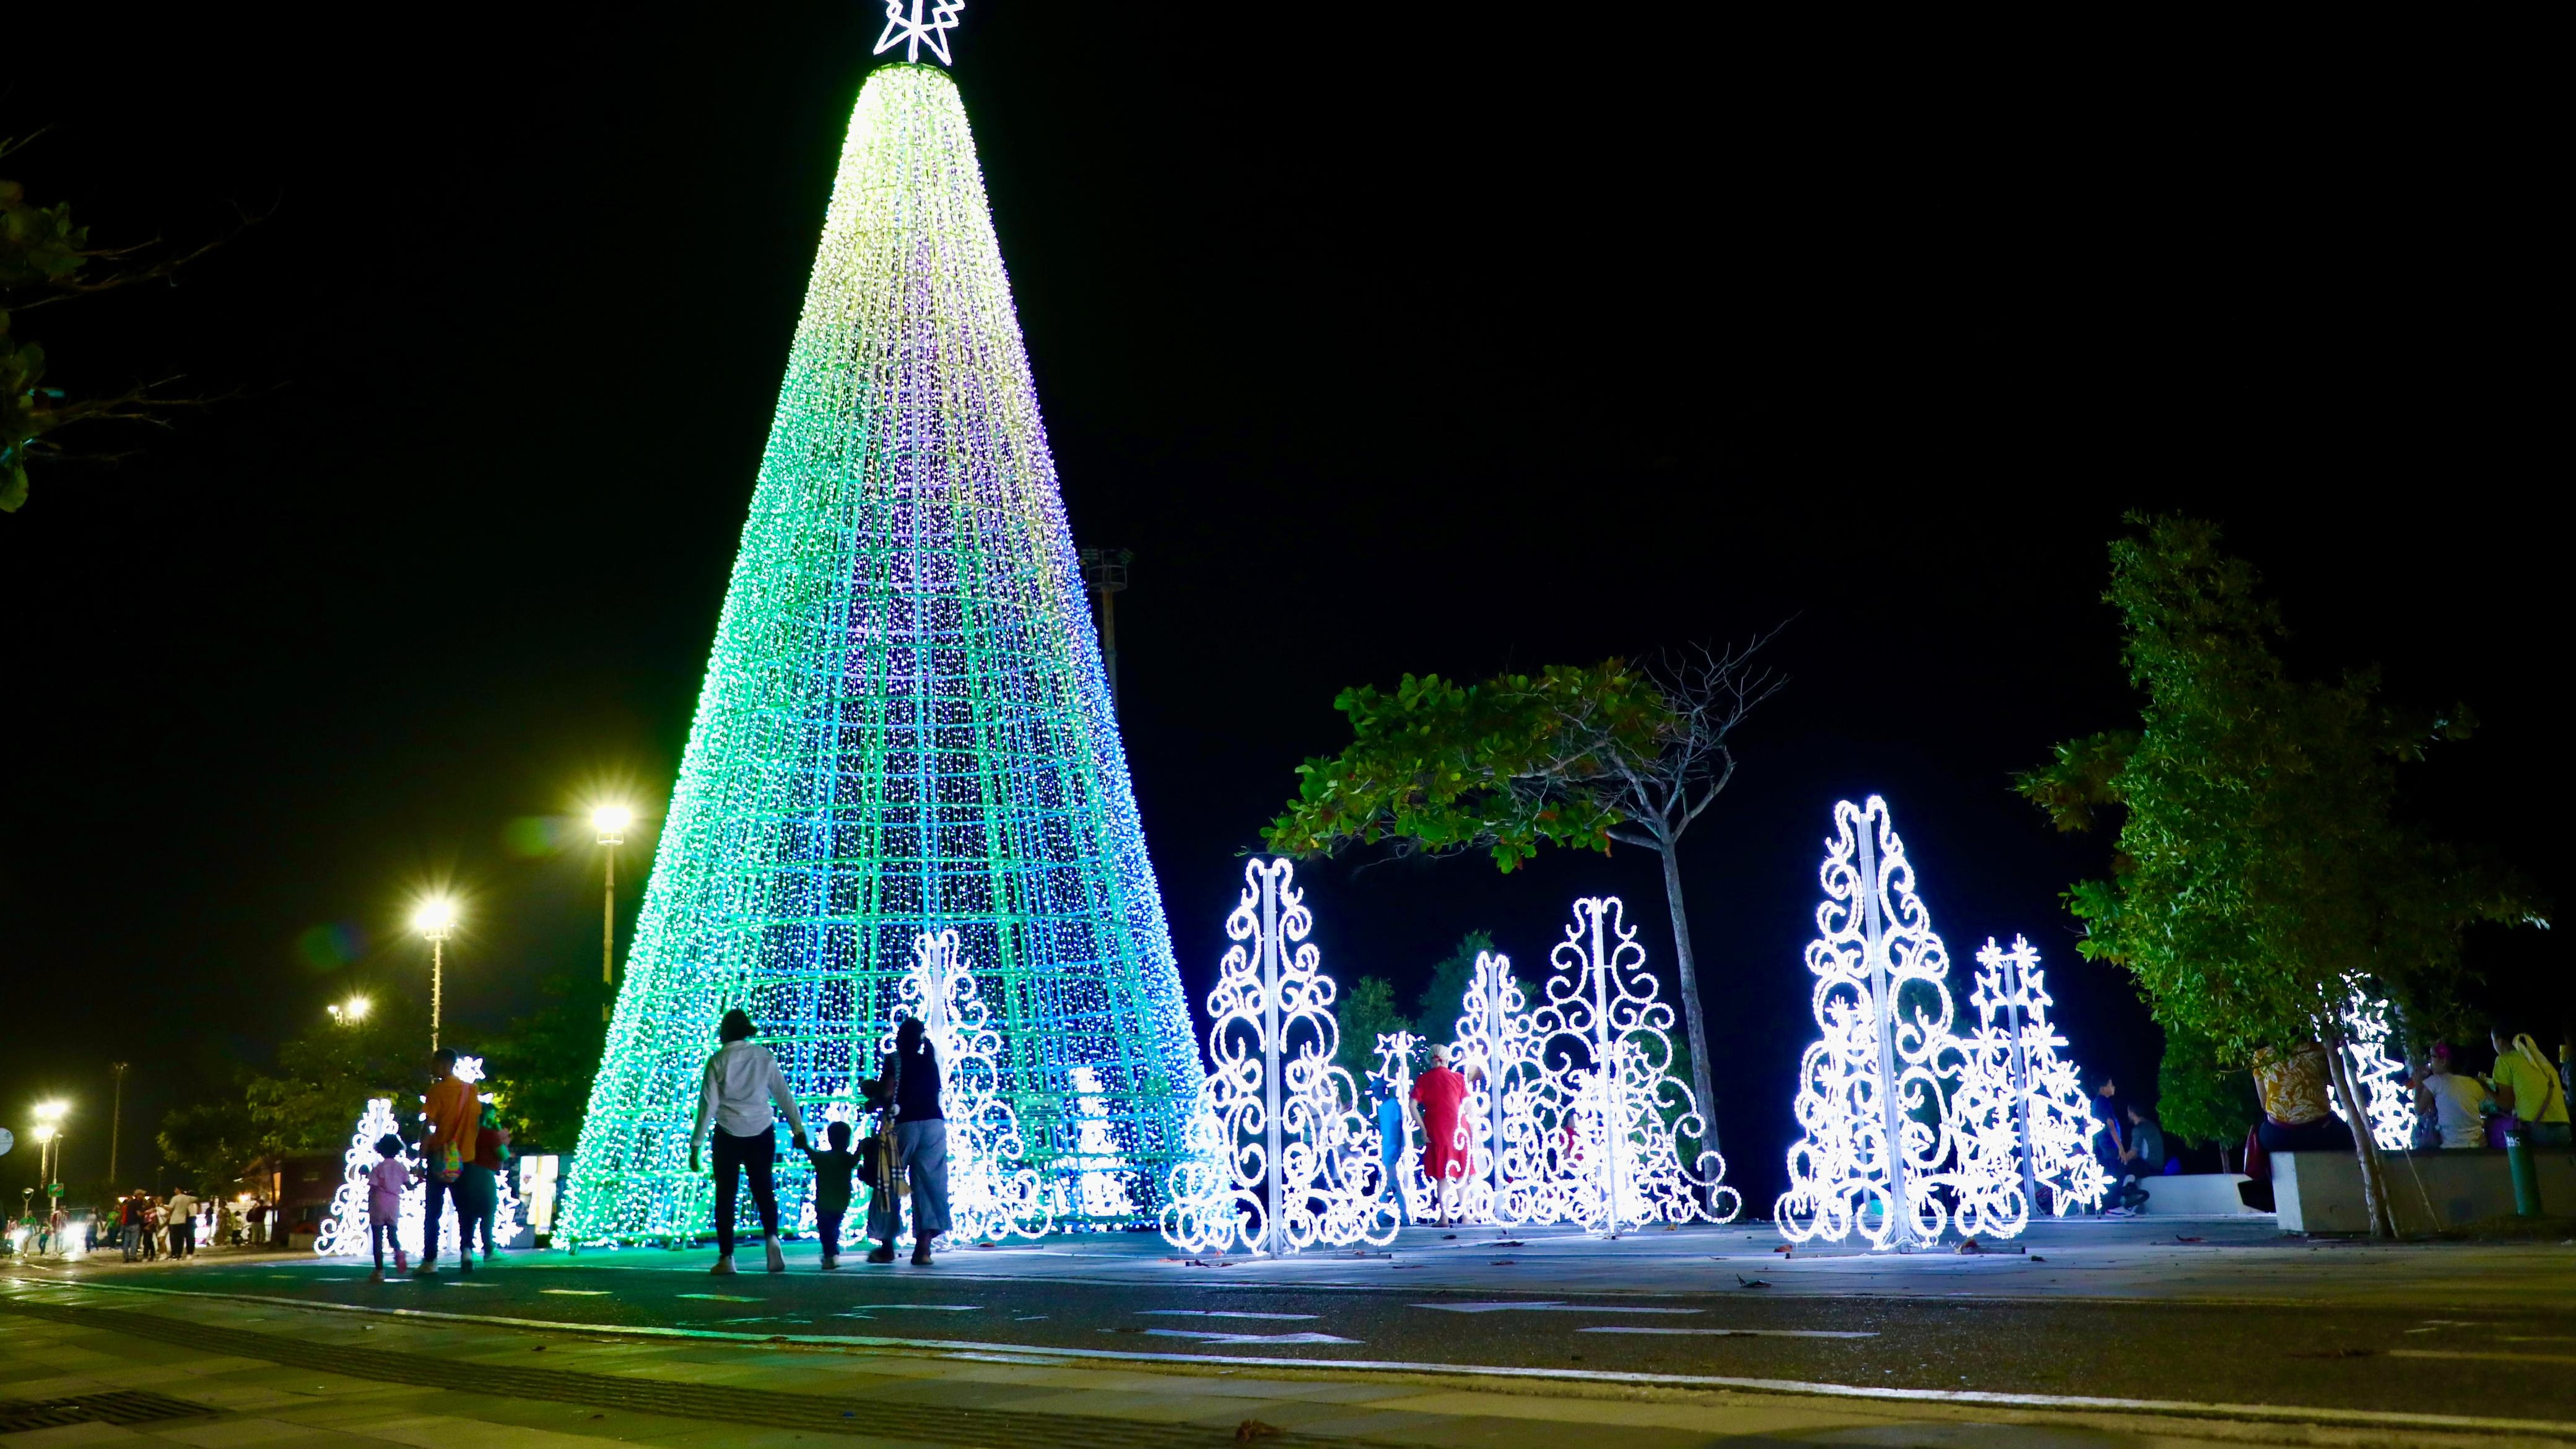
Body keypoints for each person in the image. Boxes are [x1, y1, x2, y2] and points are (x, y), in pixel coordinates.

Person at [690, 1007, 809, 1274]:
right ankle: (772, 1239)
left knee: (726, 1194)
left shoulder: (718, 1060)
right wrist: (797, 1127)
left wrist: (696, 1145)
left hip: (728, 1132)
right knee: (764, 1188)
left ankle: (727, 1257)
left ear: (725, 1031)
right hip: (762, 1129)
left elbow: (708, 1106)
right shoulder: (763, 1056)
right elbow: (783, 1093)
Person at [863, 1016, 947, 1265]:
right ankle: (923, 1249)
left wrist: (874, 1100)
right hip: (934, 1123)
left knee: (888, 1183)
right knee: (930, 1185)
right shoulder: (930, 1061)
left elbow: (888, 1091)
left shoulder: (895, 1060)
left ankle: (887, 1247)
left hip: (902, 1125)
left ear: (900, 1038)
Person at [417, 1048, 481, 1276]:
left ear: (444, 1065)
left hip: (440, 1157)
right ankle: (467, 1250)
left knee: (433, 1211)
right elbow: (476, 1122)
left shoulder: (437, 1092)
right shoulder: (471, 1090)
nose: (432, 1068)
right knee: (465, 1208)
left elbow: (430, 1125)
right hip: (466, 1158)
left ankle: (431, 1260)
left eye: (434, 1064)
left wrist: (421, 1155)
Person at [1411, 1045, 1471, 1227]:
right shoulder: (1458, 1078)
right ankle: (1466, 1215)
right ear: (1447, 1059)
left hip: (1436, 1129)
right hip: (1458, 1129)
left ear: (1430, 1060)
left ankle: (1444, 1217)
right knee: (1461, 1173)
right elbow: (1468, 1105)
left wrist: (1422, 1128)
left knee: (1441, 1175)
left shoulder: (1423, 1080)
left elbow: (1412, 1105)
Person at [2489, 1025, 2571, 1147]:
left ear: (2500, 1042)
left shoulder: (2504, 1060)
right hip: (2564, 1130)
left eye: (2493, 1041)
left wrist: (2485, 1088)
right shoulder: (2541, 1061)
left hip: (2536, 1128)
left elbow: (2506, 1103)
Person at [457, 1102, 511, 1264]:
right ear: (487, 1115)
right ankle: (489, 1249)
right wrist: (497, 1129)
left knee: (468, 1213)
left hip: (464, 1175)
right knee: (487, 1212)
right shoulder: (489, 1134)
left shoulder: (465, 1134)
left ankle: (467, 1249)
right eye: (493, 1115)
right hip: (484, 1175)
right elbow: (504, 1155)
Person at [803, 1120, 860, 1269]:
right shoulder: (846, 1158)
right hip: (841, 1202)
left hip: (823, 1203)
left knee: (826, 1232)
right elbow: (855, 1160)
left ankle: (831, 1255)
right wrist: (862, 1148)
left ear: (829, 1139)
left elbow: (811, 1153)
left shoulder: (823, 1158)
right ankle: (832, 1255)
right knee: (834, 1229)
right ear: (848, 1140)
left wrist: (803, 1144)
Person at [2415, 1042, 2486, 1149]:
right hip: (2476, 1143)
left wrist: (2418, 1084)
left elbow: (2419, 1110)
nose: (2429, 1060)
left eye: (2432, 1057)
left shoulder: (2435, 1082)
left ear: (2443, 1061)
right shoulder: (2474, 1084)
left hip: (2451, 1145)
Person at [365, 1134, 416, 1282]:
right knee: (392, 1234)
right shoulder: (401, 1167)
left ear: (380, 1150)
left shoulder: (378, 1168)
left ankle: (380, 1271)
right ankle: (398, 1252)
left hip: (379, 1202)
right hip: (394, 1203)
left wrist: (369, 1203)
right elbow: (408, 1186)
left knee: (377, 1238)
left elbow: (373, 1187)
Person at [1370, 1074, 1411, 1227]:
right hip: (1386, 1148)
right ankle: (1388, 1214)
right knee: (1389, 1182)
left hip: (1392, 1148)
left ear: (1383, 1090)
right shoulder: (1382, 1108)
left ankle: (1399, 1215)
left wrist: (1400, 1146)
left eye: (1376, 1090)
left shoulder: (1393, 1104)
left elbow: (1399, 1126)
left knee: (1391, 1182)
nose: (1374, 1093)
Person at [164, 1186, 200, 1260]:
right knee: (186, 1237)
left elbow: (171, 1208)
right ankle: (185, 1253)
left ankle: (177, 1253)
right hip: (186, 1220)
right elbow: (197, 1199)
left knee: (177, 1238)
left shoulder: (177, 1199)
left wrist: (162, 1205)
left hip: (180, 1220)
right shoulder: (189, 1199)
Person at [120, 1191, 147, 1263]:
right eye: (142, 1195)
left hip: (128, 1223)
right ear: (138, 1195)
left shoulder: (130, 1203)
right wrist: (148, 1212)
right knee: (134, 1241)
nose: (143, 1196)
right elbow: (139, 1214)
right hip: (135, 1223)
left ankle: (125, 1257)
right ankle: (133, 1257)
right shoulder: (137, 1203)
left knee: (126, 1242)